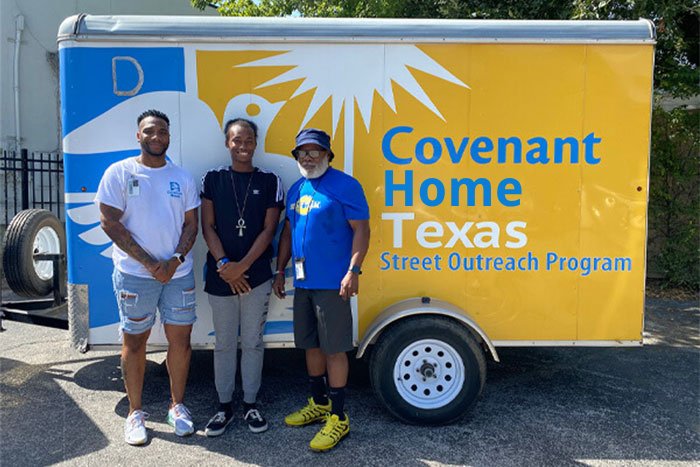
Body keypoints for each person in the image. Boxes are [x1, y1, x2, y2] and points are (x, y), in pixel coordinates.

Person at [96, 109, 200, 445]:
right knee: (135, 342)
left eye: (163, 132)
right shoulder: (120, 172)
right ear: (138, 135)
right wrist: (150, 263)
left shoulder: (182, 178)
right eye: (150, 131)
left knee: (180, 342)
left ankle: (177, 407)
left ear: (170, 136)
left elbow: (191, 224)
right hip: (134, 276)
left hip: (178, 273)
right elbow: (109, 221)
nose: (157, 137)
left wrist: (174, 259)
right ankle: (135, 413)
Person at [273, 128, 370, 452]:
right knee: (311, 345)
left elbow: (362, 230)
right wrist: (279, 270)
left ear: (328, 155)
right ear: (297, 156)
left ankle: (339, 417)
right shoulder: (297, 189)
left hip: (333, 285)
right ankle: (319, 403)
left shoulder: (346, 186)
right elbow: (288, 232)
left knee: (334, 349)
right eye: (303, 152)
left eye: (316, 151)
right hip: (303, 283)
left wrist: (352, 272)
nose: (309, 156)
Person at [200, 118, 284, 436]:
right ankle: (224, 407)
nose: (243, 146)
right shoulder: (213, 179)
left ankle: (250, 405)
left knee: (251, 342)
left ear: (255, 143)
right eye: (237, 140)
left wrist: (242, 267)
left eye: (249, 140)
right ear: (227, 143)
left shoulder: (270, 180)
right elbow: (207, 226)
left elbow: (269, 230)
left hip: (257, 275)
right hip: (221, 274)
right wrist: (225, 264)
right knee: (223, 344)